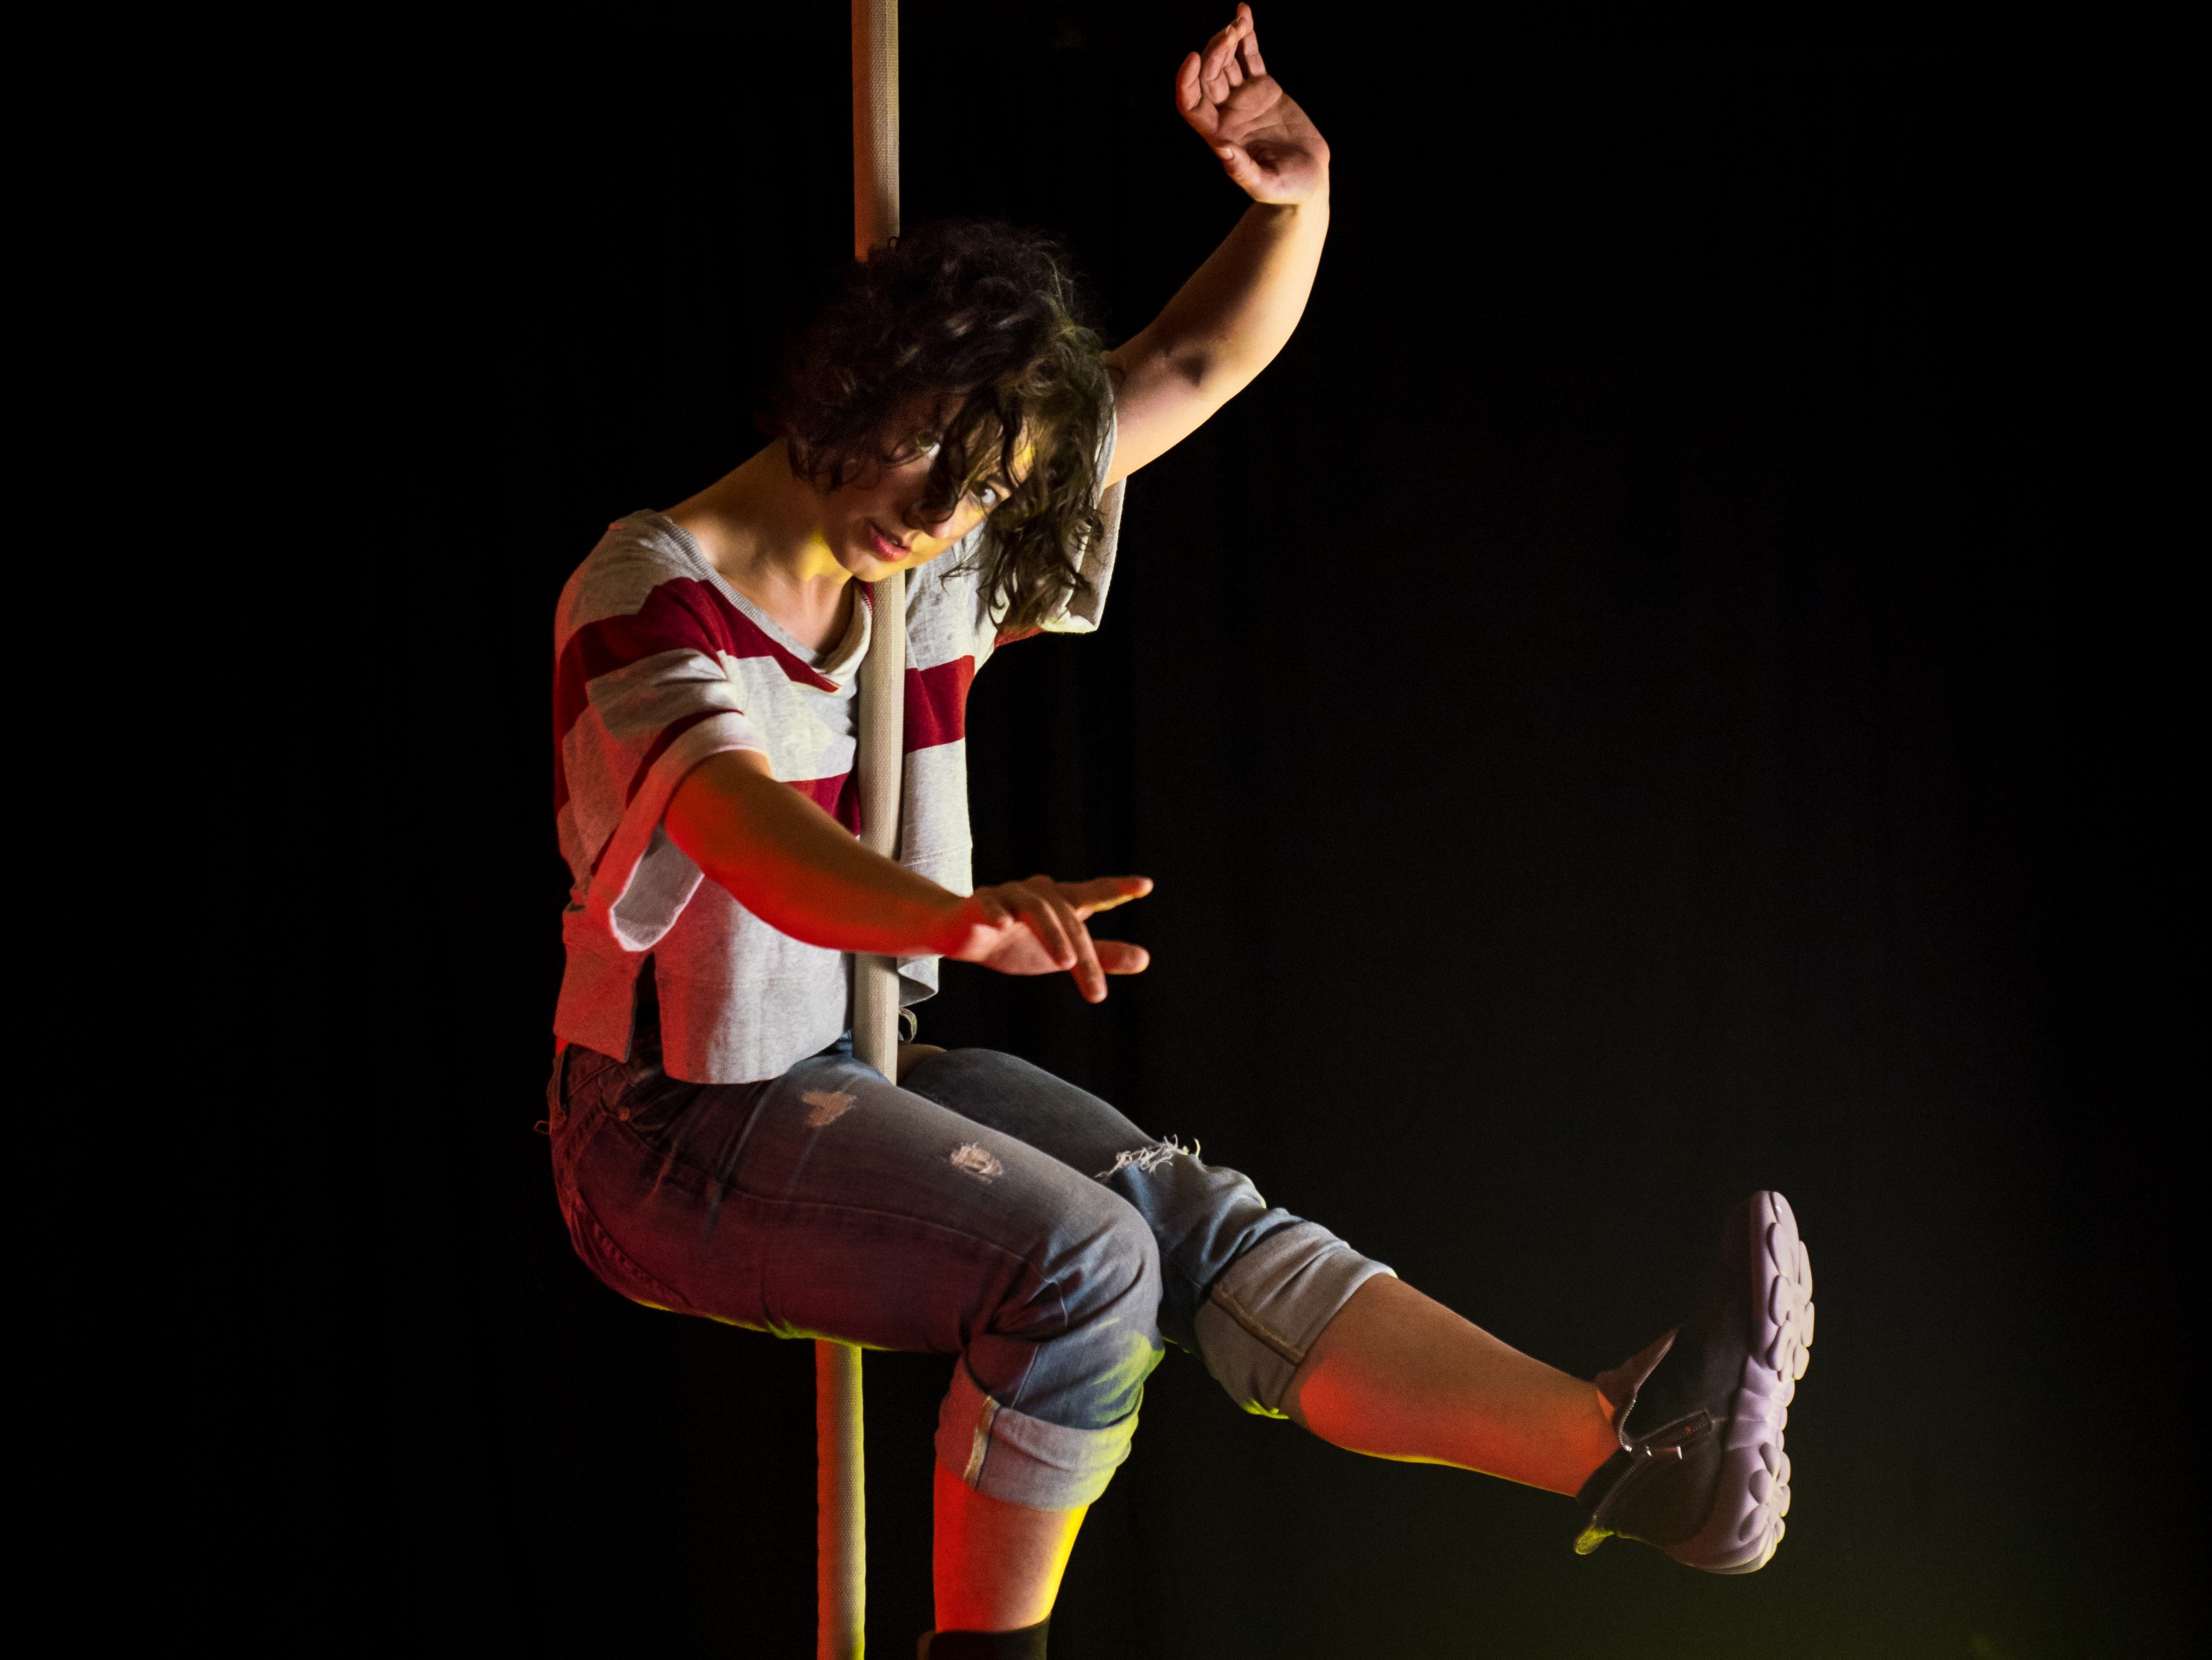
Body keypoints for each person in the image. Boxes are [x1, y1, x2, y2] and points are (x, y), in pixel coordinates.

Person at [545, 10, 1815, 1656]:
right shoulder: (651, 595)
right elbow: (732, 832)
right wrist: (952, 923)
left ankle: (1635, 1452)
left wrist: (1295, 204)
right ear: (859, 380)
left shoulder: (926, 558)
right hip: (660, 1129)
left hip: (847, 1071)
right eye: (935, 454)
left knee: (1187, 1218)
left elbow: (1189, 366)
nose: (937, 516)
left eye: (986, 493)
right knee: (1078, 1266)